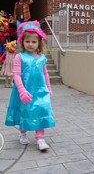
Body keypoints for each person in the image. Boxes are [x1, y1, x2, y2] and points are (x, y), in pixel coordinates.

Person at [5, 21, 55, 151]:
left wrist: (49, 88)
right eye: (27, 41)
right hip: (25, 90)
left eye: (34, 42)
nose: (30, 44)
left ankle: (40, 138)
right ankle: (23, 133)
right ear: (22, 42)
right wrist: (21, 91)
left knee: (41, 110)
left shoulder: (42, 58)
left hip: (40, 91)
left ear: (39, 43)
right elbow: (16, 75)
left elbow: (45, 73)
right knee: (24, 111)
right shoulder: (19, 57)